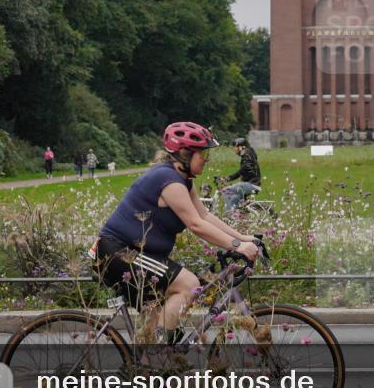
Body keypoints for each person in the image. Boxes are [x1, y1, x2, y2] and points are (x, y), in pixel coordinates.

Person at [92, 122, 260, 345]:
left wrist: (243, 238)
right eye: (203, 154)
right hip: (119, 252)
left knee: (154, 324)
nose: (207, 160)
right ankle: (161, 353)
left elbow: (204, 216)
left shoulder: (182, 181)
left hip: (135, 253)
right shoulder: (168, 180)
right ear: (185, 154)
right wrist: (237, 246)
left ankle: (147, 362)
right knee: (189, 284)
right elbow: (195, 224)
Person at [219, 137, 262, 210]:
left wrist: (229, 178)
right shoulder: (249, 155)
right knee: (234, 199)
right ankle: (237, 214)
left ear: (242, 147)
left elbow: (243, 170)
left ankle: (230, 214)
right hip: (251, 184)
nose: (234, 150)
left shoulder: (248, 156)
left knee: (226, 191)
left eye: (235, 147)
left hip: (251, 184)